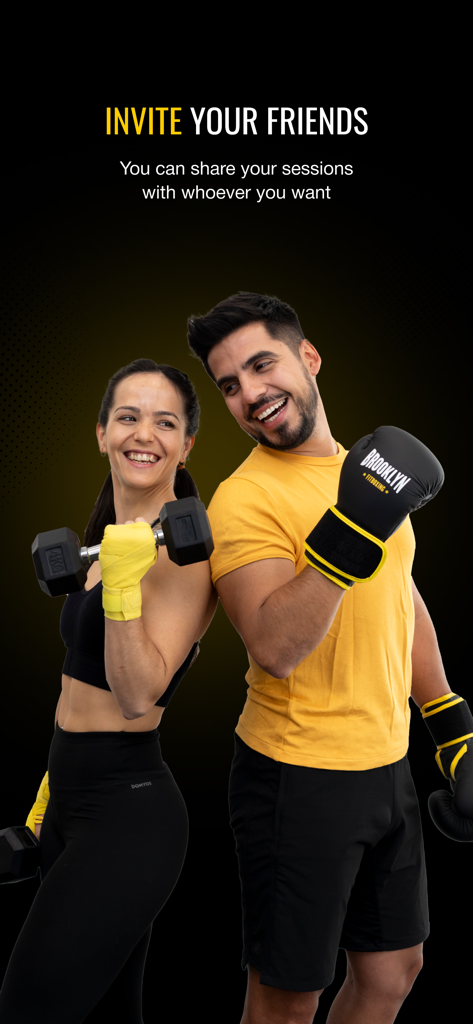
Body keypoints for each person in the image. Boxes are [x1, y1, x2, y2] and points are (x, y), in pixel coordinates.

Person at [187, 293, 473, 1024]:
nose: (251, 394)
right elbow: (274, 646)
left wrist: (450, 724)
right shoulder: (243, 500)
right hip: (297, 775)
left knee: (393, 971)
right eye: (230, 385)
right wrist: (349, 529)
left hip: (387, 762)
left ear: (308, 358)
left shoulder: (362, 471)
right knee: (287, 1001)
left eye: (262, 365)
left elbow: (399, 594)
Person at [0, 358, 216, 1024]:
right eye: (127, 417)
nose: (143, 434)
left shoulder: (184, 558)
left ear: (186, 446)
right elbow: (78, 680)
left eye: (165, 422)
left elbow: (137, 696)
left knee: (29, 1009)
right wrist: (49, 789)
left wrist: (122, 587)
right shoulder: (102, 542)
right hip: (68, 799)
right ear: (101, 434)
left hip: (128, 815)